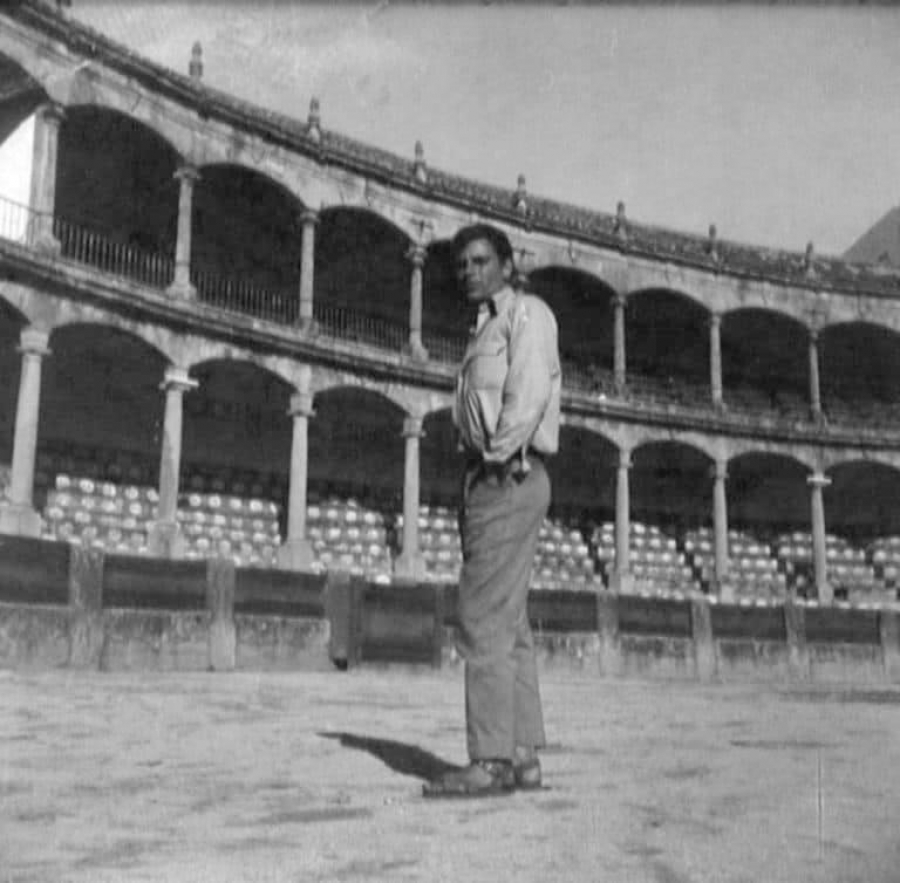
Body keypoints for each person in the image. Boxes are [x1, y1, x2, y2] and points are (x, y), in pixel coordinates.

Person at [423, 223, 561, 798]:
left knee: (481, 619)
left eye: (481, 261)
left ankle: (491, 761)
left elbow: (526, 394)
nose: (470, 271)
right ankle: (522, 755)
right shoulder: (485, 327)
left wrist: (500, 459)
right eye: (462, 265)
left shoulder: (526, 314)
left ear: (507, 264)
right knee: (509, 622)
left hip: (507, 472)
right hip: (495, 474)